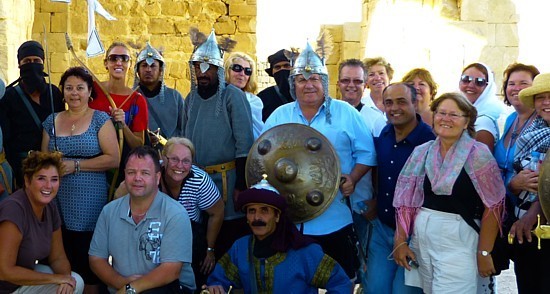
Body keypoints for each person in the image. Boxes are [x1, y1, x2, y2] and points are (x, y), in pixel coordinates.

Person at [263, 41, 376, 283]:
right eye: (302, 80)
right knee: (293, 283)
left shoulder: (346, 112)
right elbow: (263, 160)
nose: (309, 85)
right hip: (290, 220)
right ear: (293, 84)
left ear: (324, 81)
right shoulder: (279, 116)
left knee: (340, 283)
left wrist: (353, 178)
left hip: (335, 216)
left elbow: (367, 153)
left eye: (315, 78)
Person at [393, 93, 504, 294]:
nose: (446, 119)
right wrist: (400, 241)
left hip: (459, 241)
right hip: (423, 238)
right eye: (441, 113)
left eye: (454, 114)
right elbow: (405, 201)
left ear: (466, 121)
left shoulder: (478, 154)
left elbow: (494, 204)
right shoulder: (422, 152)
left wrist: (484, 251)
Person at [41, 66, 120, 293]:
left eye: (79, 88)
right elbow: (42, 161)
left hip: (89, 202)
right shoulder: (51, 121)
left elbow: (113, 159)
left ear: (89, 92)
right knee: (58, 253)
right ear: (62, 92)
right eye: (68, 88)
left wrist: (75, 165)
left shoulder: (99, 119)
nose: (74, 93)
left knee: (87, 259)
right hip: (56, 199)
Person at [203, 177, 353, 293]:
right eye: (252, 211)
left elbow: (341, 283)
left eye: (264, 211)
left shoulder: (305, 252)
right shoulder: (240, 248)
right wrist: (216, 286)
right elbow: (218, 279)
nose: (257, 218)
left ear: (277, 216)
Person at [114, 137, 224, 289]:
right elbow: (119, 196)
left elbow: (217, 212)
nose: (180, 165)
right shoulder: (150, 172)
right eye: (174, 159)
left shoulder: (200, 180)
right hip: (151, 233)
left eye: (186, 161)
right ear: (163, 159)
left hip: (190, 239)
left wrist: (210, 250)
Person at [183, 29, 254, 259]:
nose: (202, 72)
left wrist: (241, 184)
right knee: (198, 239)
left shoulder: (232, 95)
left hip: (227, 180)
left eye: (208, 67)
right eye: (197, 66)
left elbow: (245, 143)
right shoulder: (190, 98)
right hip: (196, 180)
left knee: (229, 241)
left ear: (217, 69)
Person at [89, 146, 195, 293]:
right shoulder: (109, 211)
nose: (137, 178)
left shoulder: (175, 214)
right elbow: (96, 258)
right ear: (124, 175)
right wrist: (120, 282)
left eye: (145, 173)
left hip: (169, 288)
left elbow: (171, 270)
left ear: (157, 178)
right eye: (131, 172)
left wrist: (131, 289)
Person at [366, 83, 433, 294]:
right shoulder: (385, 134)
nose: (394, 108)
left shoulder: (430, 141)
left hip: (415, 236)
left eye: (401, 102)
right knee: (374, 289)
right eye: (389, 103)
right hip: (383, 228)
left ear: (415, 103)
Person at [0, 151, 84, 293]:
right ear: (27, 181)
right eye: (41, 178)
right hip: (6, 287)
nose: (48, 186)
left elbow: (58, 258)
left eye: (54, 179)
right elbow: (4, 271)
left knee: (75, 281)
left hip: (24, 277)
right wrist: (56, 279)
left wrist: (65, 279)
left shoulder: (50, 206)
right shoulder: (14, 209)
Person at [0, 40, 64, 188]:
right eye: (27, 61)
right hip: (23, 168)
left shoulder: (54, 93)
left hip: (51, 167)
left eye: (36, 60)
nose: (32, 64)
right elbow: (7, 140)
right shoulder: (9, 97)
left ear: (43, 64)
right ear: (19, 65)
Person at [507, 72, 550, 293]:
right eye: (541, 97)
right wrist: (515, 184)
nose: (547, 102)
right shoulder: (534, 131)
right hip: (526, 230)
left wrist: (533, 215)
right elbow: (517, 177)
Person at [89, 41, 148, 186]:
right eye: (113, 58)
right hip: (91, 166)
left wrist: (123, 125)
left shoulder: (137, 100)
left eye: (124, 58)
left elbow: (139, 144)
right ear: (106, 63)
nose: (119, 62)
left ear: (130, 64)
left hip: (121, 173)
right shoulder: (92, 91)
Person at [134, 43, 184, 146]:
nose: (148, 70)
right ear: (137, 70)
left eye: (153, 66)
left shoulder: (175, 97)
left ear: (160, 70)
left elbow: (185, 130)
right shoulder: (130, 98)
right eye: (144, 65)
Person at [458, 62, 503, 152]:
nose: (471, 85)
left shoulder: (485, 119)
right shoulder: (459, 109)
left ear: (488, 87)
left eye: (479, 82)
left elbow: (481, 161)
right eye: (466, 79)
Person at [224, 52, 264, 139]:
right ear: (227, 70)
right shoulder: (217, 98)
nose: (242, 74)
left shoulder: (255, 102)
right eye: (237, 68)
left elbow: (258, 135)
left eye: (247, 71)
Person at [257, 49, 294, 121]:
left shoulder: (304, 94)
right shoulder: (263, 98)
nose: (282, 69)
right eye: (277, 67)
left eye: (286, 65)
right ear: (272, 72)